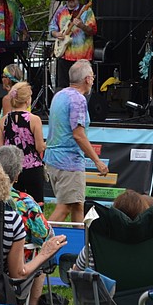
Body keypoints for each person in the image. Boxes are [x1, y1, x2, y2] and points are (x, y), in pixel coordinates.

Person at [0, 158, 67, 280]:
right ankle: (34, 300)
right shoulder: (11, 219)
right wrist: (45, 253)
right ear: (4, 184)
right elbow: (18, 273)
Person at [44, 59, 108, 223]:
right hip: (68, 163)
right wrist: (97, 162)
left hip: (53, 159)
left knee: (78, 205)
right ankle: (42, 241)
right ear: (87, 79)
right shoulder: (78, 100)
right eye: (92, 77)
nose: (93, 80)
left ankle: (80, 246)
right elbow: (78, 135)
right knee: (64, 208)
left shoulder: (60, 95)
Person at [0, 145, 53, 305]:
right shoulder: (24, 202)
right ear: (17, 175)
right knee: (44, 245)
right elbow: (43, 235)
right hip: (15, 266)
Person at [0, 81, 46, 203]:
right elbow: (39, 147)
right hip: (32, 167)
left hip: (11, 168)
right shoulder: (34, 120)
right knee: (36, 204)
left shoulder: (4, 120)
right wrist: (44, 145)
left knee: (13, 203)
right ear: (27, 100)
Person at [49, 0, 97, 88]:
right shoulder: (60, 11)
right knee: (63, 87)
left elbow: (93, 31)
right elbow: (52, 29)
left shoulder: (86, 11)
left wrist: (82, 26)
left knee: (82, 87)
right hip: (64, 56)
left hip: (82, 57)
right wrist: (57, 34)